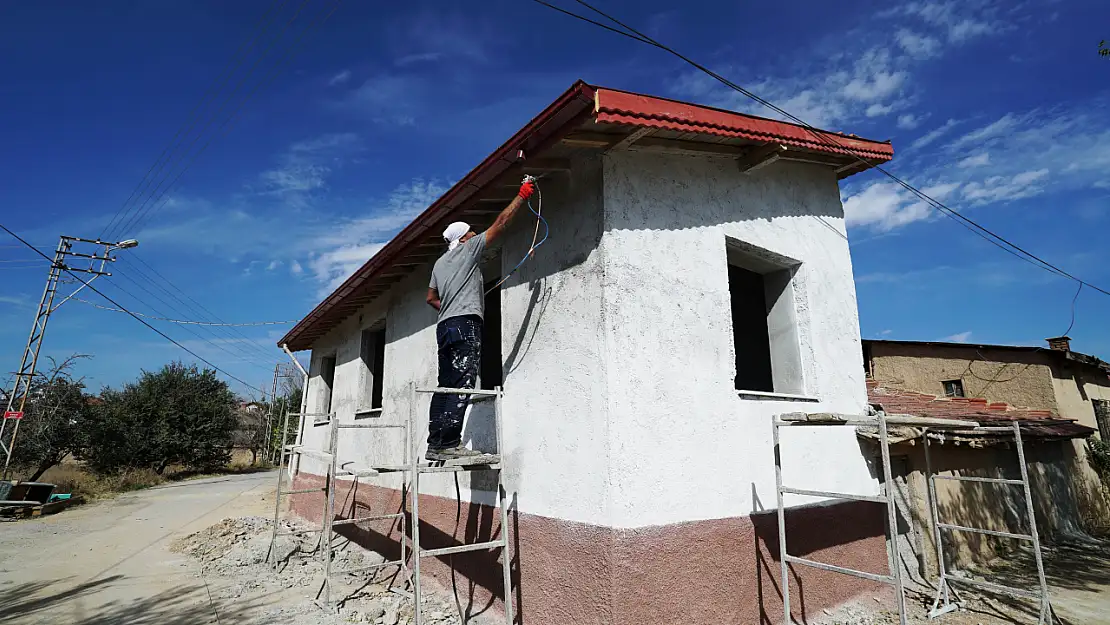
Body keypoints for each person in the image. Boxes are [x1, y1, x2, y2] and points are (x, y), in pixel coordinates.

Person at [424, 177, 536, 461]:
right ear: (462, 239)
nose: (475, 236)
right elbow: (500, 224)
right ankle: (448, 445)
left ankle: (436, 442)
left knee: (446, 383)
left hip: (445, 327)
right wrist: (522, 195)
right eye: (471, 233)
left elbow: (430, 298)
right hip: (464, 324)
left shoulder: (440, 263)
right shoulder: (467, 250)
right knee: (462, 382)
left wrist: (449, 307)